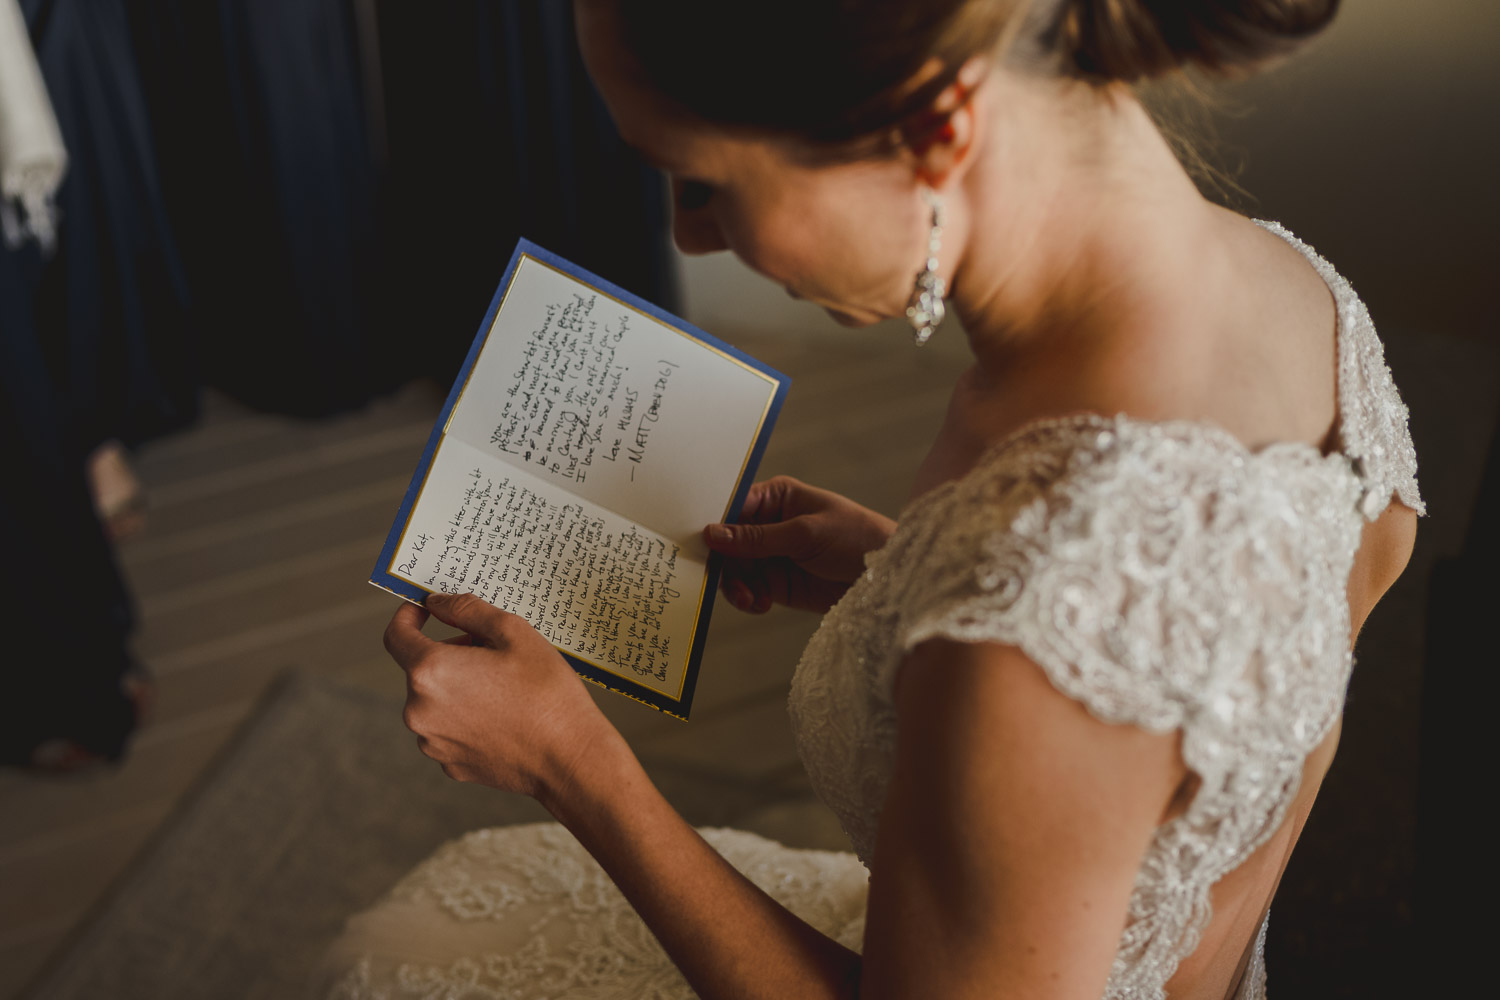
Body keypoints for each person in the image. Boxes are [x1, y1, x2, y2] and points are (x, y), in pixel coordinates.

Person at [317, 0, 1424, 996]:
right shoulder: (1300, 298)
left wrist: (573, 763)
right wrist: (904, 580)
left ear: (934, 126)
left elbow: (1072, 648)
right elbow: (1194, 720)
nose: (685, 232)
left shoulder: (1044, 593)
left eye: (706, 182)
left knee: (400, 956)